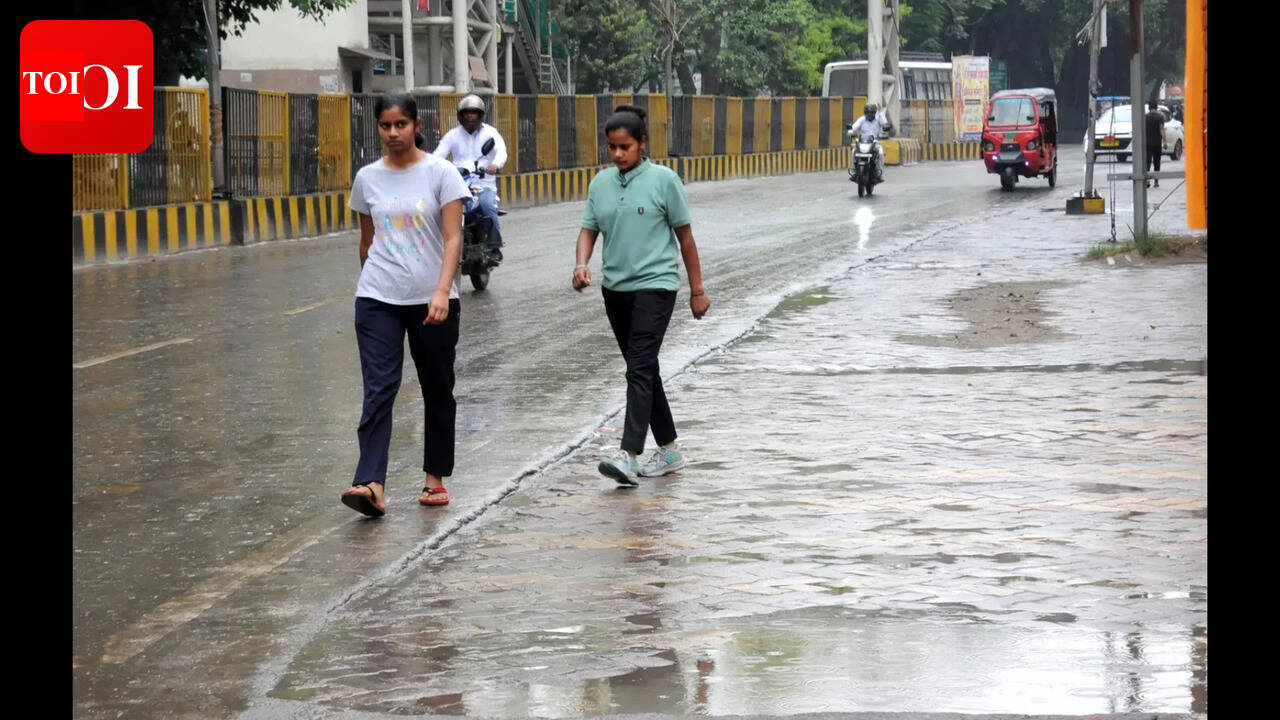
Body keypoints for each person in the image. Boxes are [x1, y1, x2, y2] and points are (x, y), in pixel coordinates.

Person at [340, 92, 472, 517]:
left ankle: (435, 477)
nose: (393, 133)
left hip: (432, 300)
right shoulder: (367, 179)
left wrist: (441, 290)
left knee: (437, 388)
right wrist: (373, 286)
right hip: (378, 298)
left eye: (401, 125)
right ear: (377, 127)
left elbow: (453, 238)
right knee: (379, 388)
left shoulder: (442, 173)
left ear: (416, 125)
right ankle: (370, 482)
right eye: (385, 126)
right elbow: (367, 242)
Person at [572, 105, 711, 487]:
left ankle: (629, 454)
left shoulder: (665, 181)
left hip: (657, 285)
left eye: (626, 147)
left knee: (638, 366)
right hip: (615, 289)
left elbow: (685, 238)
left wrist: (696, 290)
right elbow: (589, 230)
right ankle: (669, 450)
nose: (618, 155)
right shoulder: (600, 184)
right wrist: (580, 265)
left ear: (643, 144)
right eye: (612, 148)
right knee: (643, 368)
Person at [432, 94, 508, 263]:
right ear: (461, 115)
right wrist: (432, 168)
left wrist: (495, 165)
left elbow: (501, 152)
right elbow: (438, 155)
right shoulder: (453, 135)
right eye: (467, 113)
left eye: (474, 113)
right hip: (459, 183)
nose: (470, 116)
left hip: (483, 184)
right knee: (438, 211)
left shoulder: (490, 133)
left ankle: (494, 246)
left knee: (488, 207)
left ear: (480, 115)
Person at [847, 102, 892, 181]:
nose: (869, 114)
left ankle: (879, 173)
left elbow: (884, 123)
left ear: (875, 113)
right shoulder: (861, 120)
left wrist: (881, 112)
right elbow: (854, 127)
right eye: (868, 113)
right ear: (865, 113)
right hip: (863, 142)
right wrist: (850, 132)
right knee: (854, 151)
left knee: (880, 153)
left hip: (875, 142)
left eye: (871, 112)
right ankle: (854, 171)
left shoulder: (878, 119)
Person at [1144, 103, 1165, 188]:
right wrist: (1165, 141)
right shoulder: (1160, 117)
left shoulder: (1145, 117)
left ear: (1149, 108)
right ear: (1156, 107)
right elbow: (1161, 129)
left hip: (1147, 143)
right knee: (1157, 162)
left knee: (1147, 162)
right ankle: (1156, 181)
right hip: (1157, 144)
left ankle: (1147, 180)